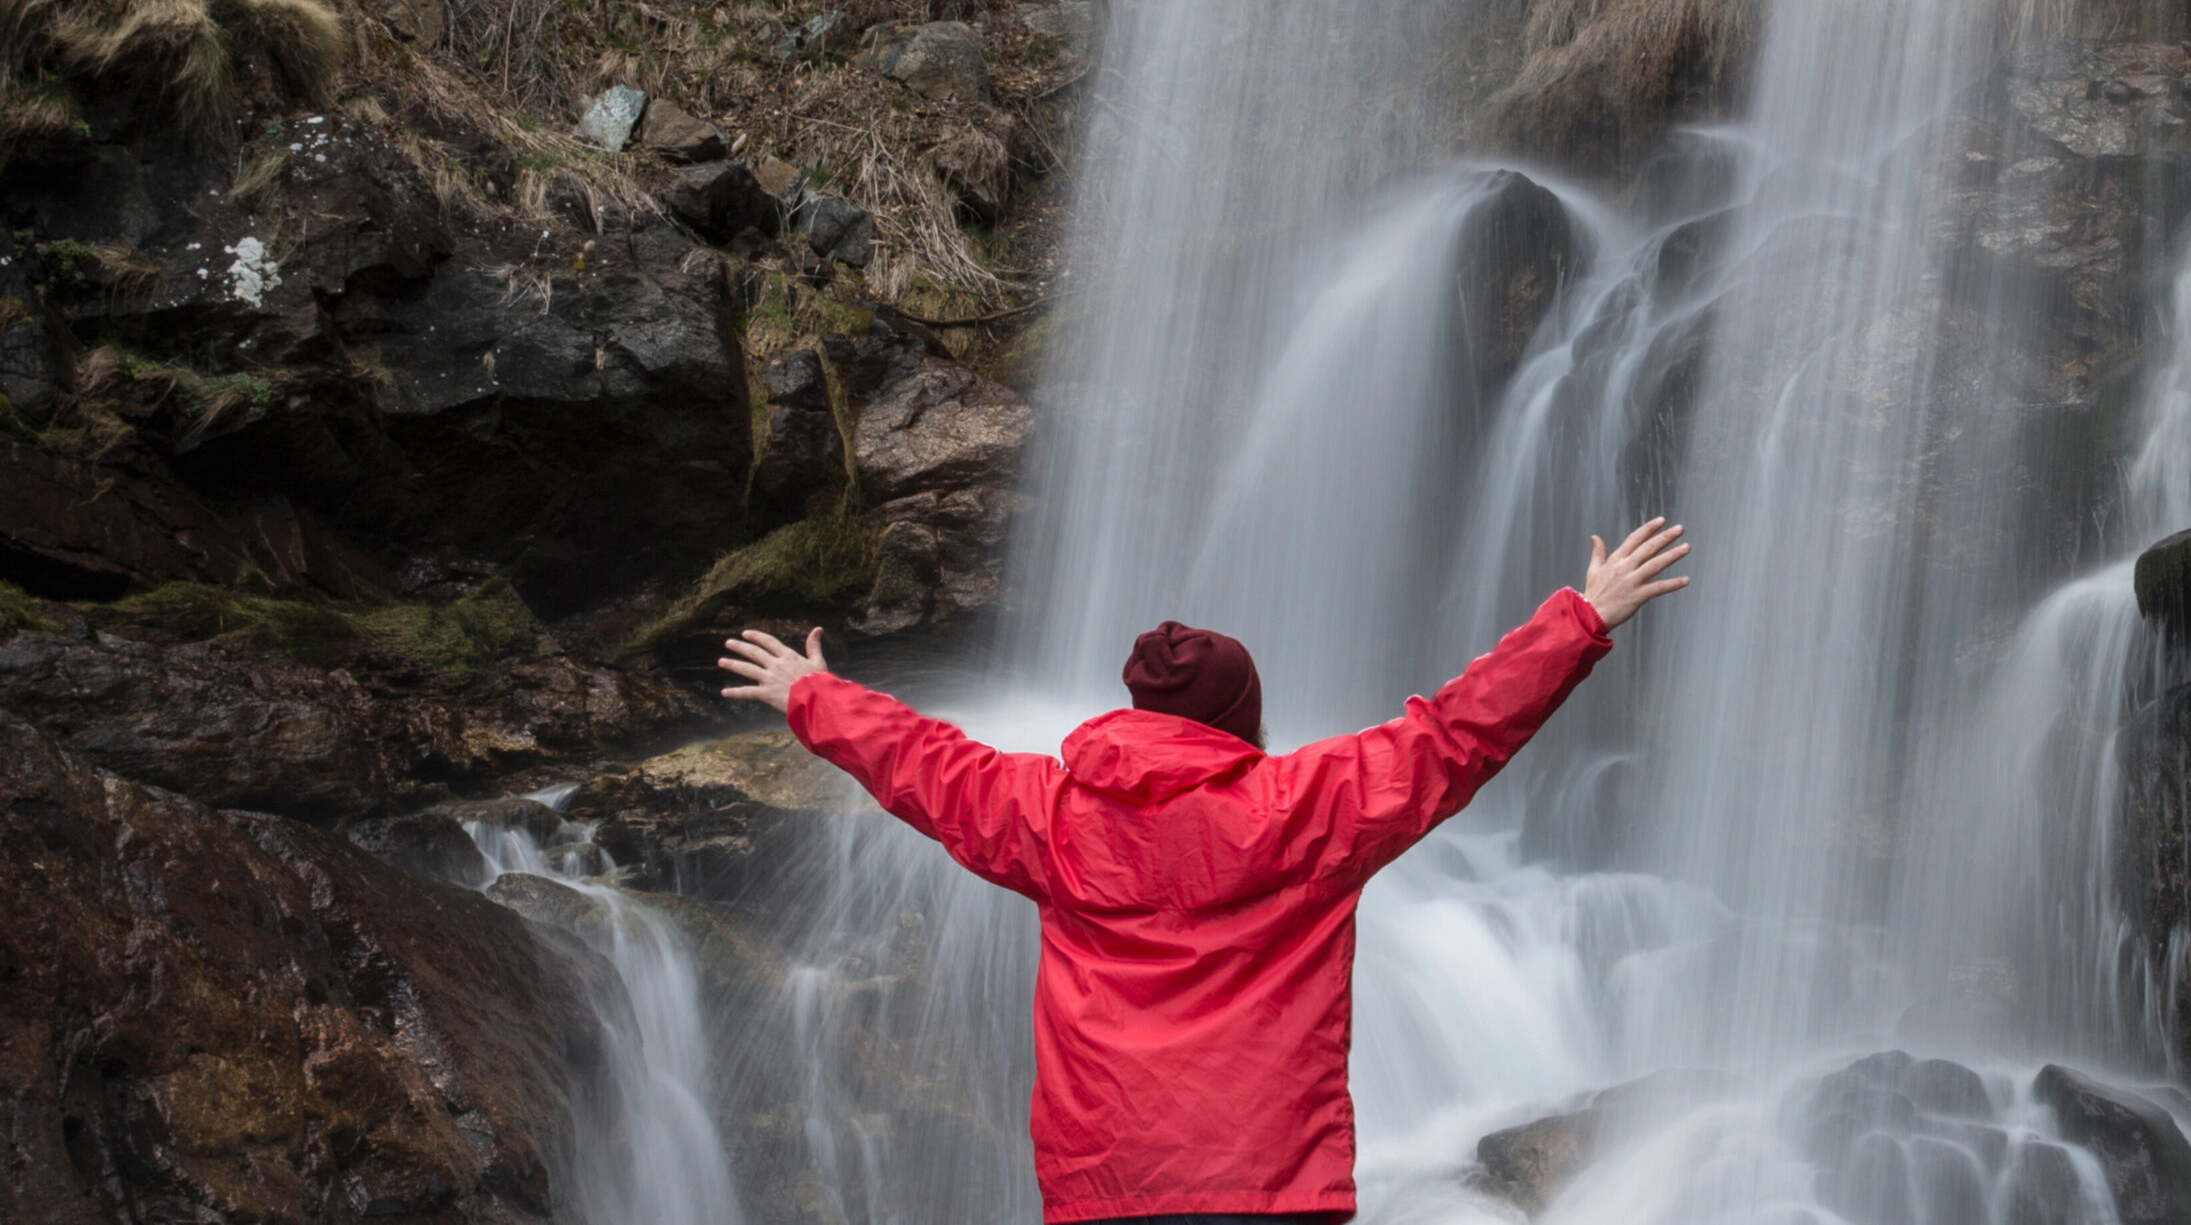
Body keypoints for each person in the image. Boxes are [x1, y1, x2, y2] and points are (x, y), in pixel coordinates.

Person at [717, 518, 1691, 1225]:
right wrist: (1579, 619)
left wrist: (814, 696)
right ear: (1245, 722)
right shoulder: (1312, 808)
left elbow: (926, 764)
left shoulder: (1049, 815)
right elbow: (1454, 734)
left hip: (1108, 1191)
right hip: (1271, 1188)